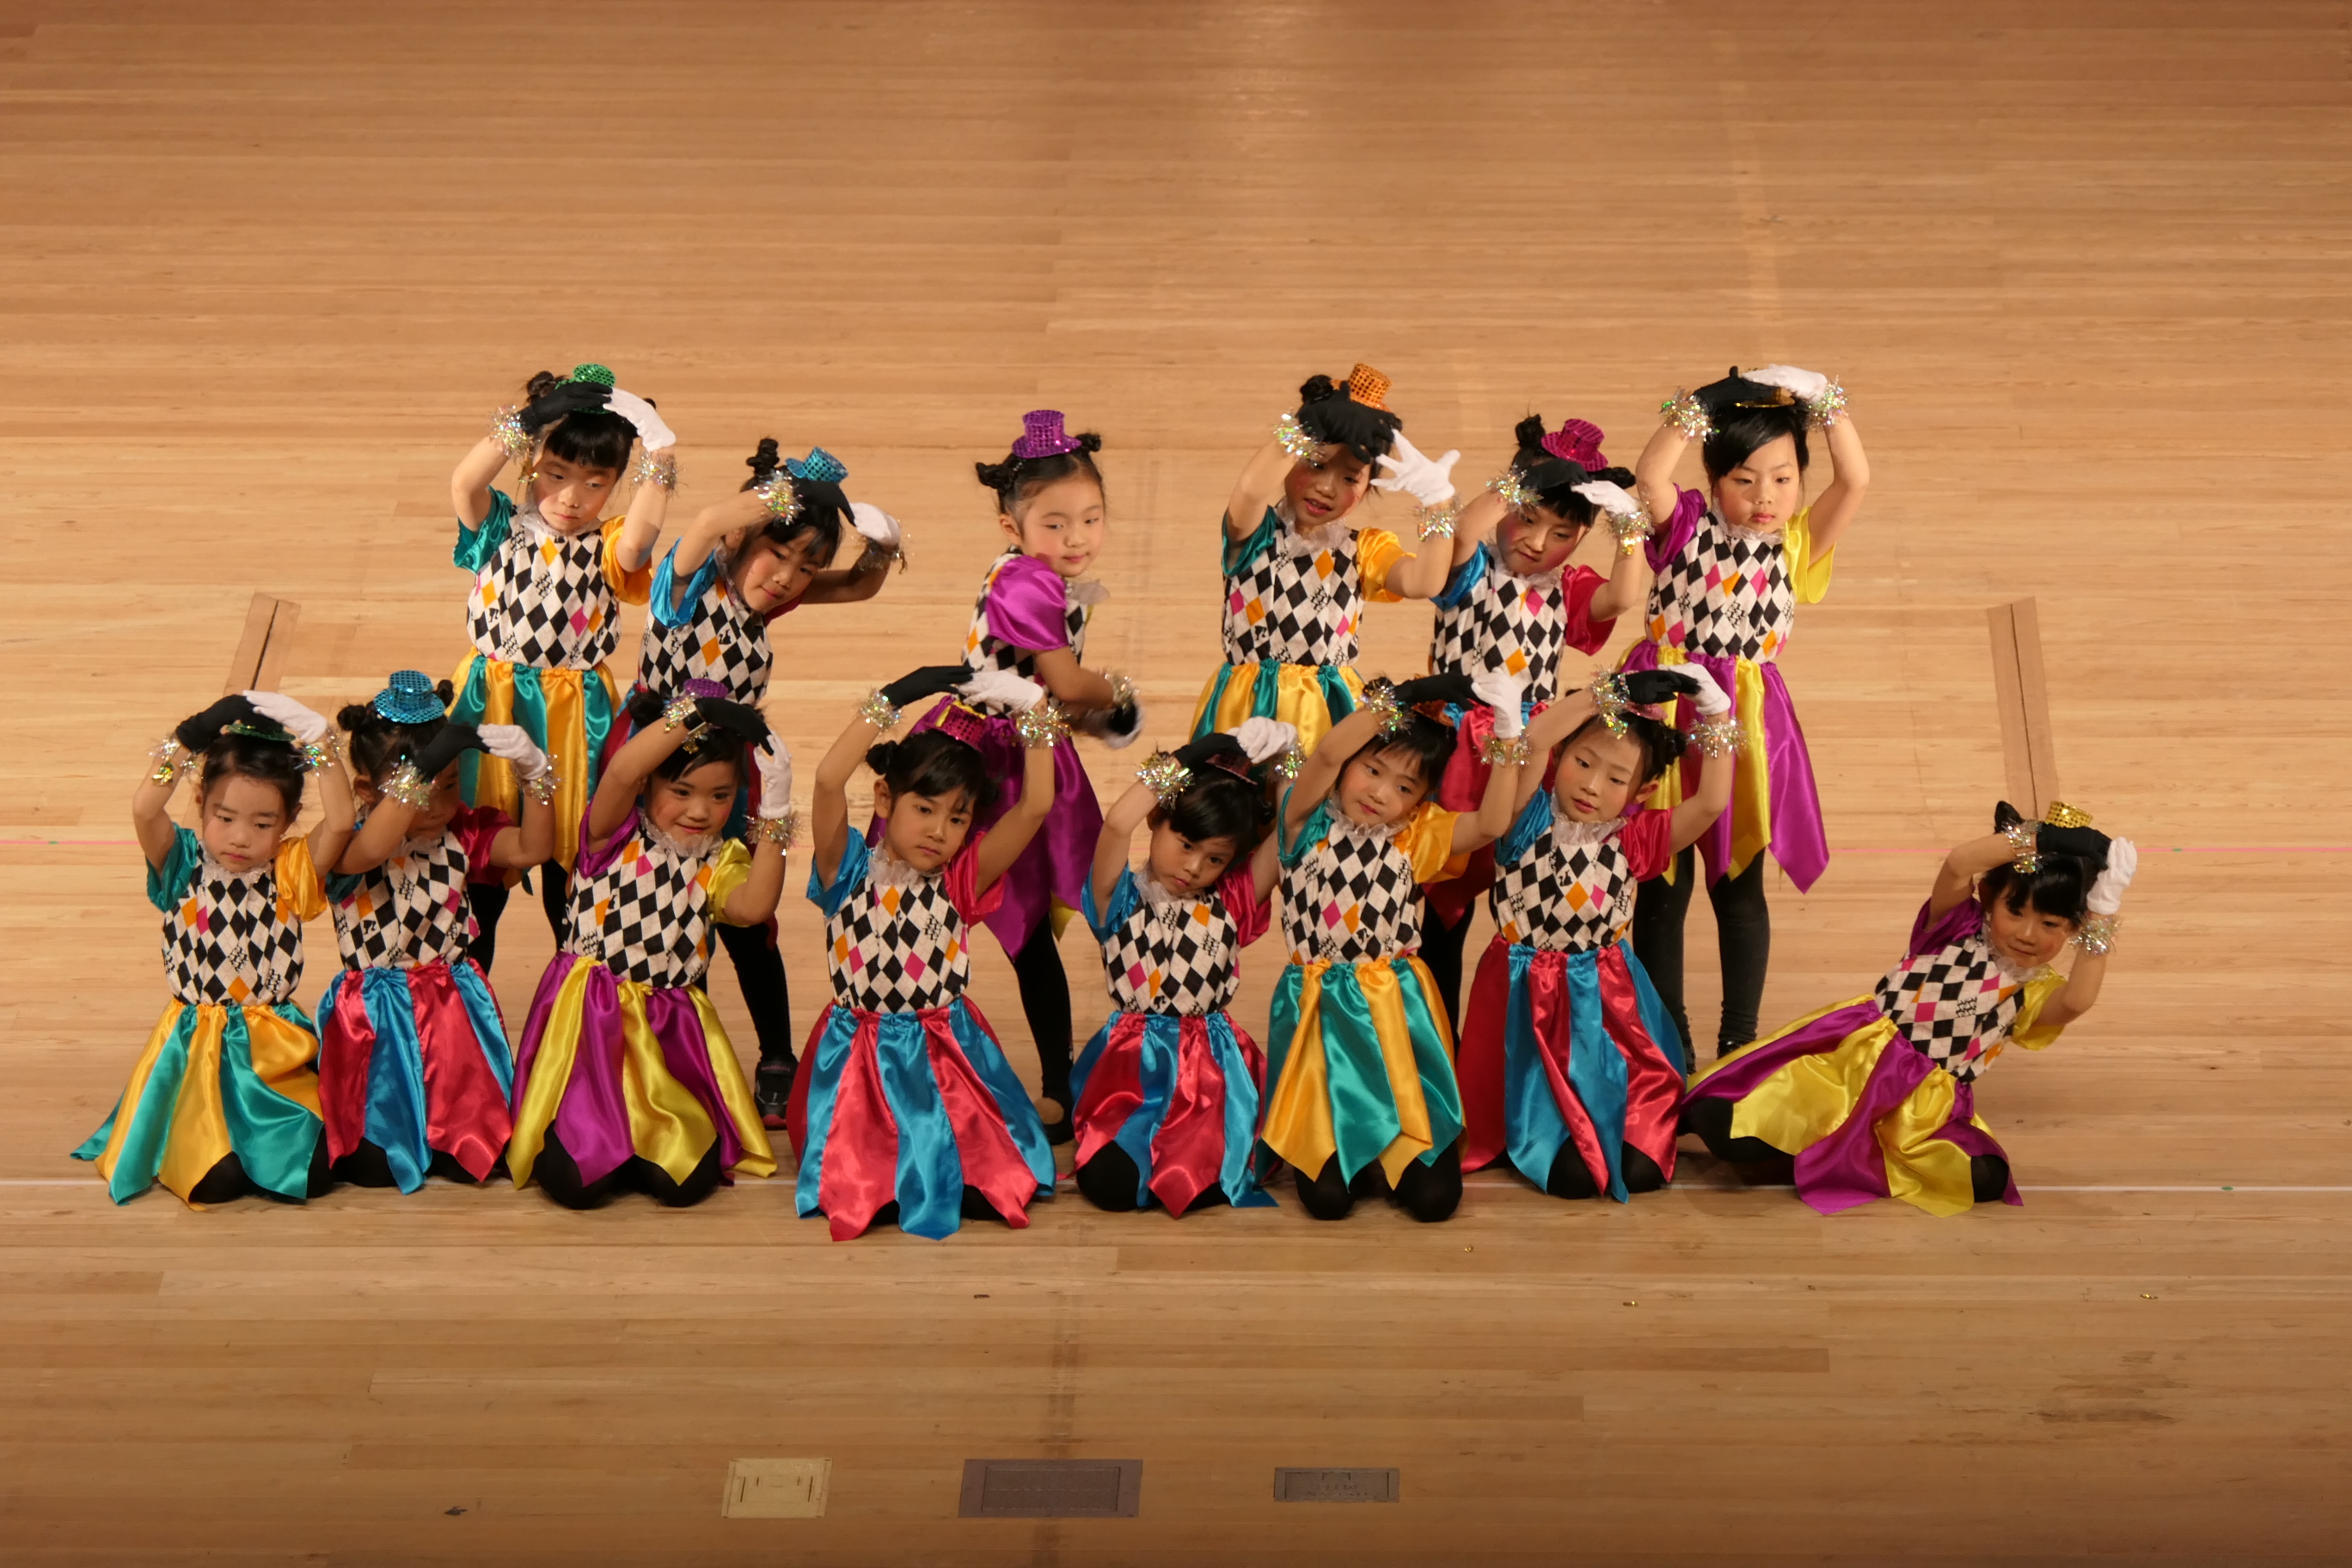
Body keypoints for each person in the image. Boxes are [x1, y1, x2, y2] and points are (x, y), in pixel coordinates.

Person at [629, 437, 905, 1127]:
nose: (786, 578)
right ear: (743, 536)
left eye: (806, 566)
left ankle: (777, 1055)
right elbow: (704, 522)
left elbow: (860, 584)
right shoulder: (687, 585)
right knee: (665, 907)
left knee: (749, 922)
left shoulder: (764, 605)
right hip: (655, 772)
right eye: (777, 554)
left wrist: (878, 542)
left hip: (734, 777)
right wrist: (792, 493)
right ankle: (664, 1047)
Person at [1681, 803, 2135, 1216]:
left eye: (2051, 923)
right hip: (1849, 1063)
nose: (2028, 933)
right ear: (1988, 896)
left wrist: (2103, 911)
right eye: (2015, 911)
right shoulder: (1954, 923)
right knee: (1727, 1131)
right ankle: (1809, 1141)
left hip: (1920, 1108)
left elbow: (2077, 1000)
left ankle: (1834, 1150)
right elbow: (1959, 862)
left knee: (1986, 1177)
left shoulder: (2035, 991)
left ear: (2073, 928)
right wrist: (2046, 839)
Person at [1623, 364, 1871, 1062]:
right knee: (1661, 884)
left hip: (1746, 717)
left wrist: (1828, 403)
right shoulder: (1682, 523)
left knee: (1739, 883)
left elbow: (1855, 479)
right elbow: (1649, 475)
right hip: (1664, 705)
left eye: (1784, 478)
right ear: (1713, 477)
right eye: (1745, 479)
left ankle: (1739, 1039)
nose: (1766, 496)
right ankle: (1669, 1038)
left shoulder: (1797, 542)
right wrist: (1695, 406)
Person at [922, 410, 1138, 1142]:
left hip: (1029, 745)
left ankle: (1060, 1078)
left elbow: (1054, 694)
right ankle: (939, 1056)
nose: (1077, 538)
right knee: (986, 914)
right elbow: (1069, 684)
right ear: (1011, 526)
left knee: (1034, 925)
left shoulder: (1040, 575)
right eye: (1055, 524)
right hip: (988, 760)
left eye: (1091, 519)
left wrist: (1086, 712)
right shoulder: (1028, 584)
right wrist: (1118, 693)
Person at [787, 665, 1063, 1240]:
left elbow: (1036, 805)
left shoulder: (963, 878)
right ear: (885, 797)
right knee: (865, 1185)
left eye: (958, 818)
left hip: (946, 1056)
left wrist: (1035, 709)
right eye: (925, 809)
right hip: (858, 1060)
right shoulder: (845, 869)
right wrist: (895, 696)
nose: (939, 830)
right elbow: (829, 778)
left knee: (983, 1185)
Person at [1455, 669, 1737, 1202]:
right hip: (1525, 1006)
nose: (1591, 785)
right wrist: (1611, 693)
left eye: (1615, 778)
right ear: (1560, 757)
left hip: (1607, 1011)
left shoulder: (1637, 838)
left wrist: (1716, 713)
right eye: (1583, 762)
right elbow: (1533, 739)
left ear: (1643, 790)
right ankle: (1542, 1125)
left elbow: (1710, 804)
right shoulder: (1523, 818)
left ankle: (1636, 1111)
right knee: (1572, 1179)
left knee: (1643, 1171)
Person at [505, 683, 787, 1208]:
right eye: (682, 791)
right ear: (649, 782)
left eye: (720, 795)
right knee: (575, 1186)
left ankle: (643, 1136)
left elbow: (754, 908)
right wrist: (695, 714)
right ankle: (601, 1134)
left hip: (667, 1032)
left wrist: (777, 811)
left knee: (685, 1186)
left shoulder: (722, 858)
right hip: (590, 1024)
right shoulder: (611, 833)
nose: (700, 811)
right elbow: (620, 772)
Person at [1418, 413, 1655, 1025]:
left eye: (1561, 533)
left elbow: (1623, 596)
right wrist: (1519, 482)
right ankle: (1440, 1036)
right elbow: (1464, 526)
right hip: (1456, 744)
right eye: (1527, 517)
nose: (1536, 541)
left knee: (1523, 884)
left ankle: (1514, 1029)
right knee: (1444, 901)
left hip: (1531, 750)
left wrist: (1629, 527)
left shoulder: (1567, 586)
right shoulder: (1471, 567)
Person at [77, 691, 354, 1204]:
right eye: (224, 817)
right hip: (194, 1051)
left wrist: (320, 741)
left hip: (273, 1051)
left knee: (315, 1177)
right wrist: (189, 737)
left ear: (289, 818)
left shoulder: (291, 868)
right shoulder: (181, 861)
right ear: (201, 800)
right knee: (216, 1182)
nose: (240, 838)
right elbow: (144, 805)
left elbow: (340, 822)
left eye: (263, 824)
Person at [1258, 673, 1516, 1222]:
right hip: (1318, 1016)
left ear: (1421, 799)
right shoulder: (1302, 820)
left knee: (1436, 1202)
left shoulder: (1416, 835)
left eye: (1404, 787)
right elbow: (1327, 753)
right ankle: (1347, 1139)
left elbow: (1494, 822)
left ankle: (1393, 1137)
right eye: (1372, 770)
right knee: (1328, 1203)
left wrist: (1508, 732)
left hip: (1395, 1013)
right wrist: (1396, 700)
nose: (1380, 793)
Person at [445, 363, 675, 966]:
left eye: (596, 483)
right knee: (483, 862)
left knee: (569, 870)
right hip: (491, 698)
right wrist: (526, 421)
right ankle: (471, 992)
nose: (572, 497)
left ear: (617, 483)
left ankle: (571, 992)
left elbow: (642, 538)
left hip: (575, 714)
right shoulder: (498, 525)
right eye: (556, 474)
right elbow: (465, 481)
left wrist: (659, 448)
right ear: (530, 464)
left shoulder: (610, 544)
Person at [316, 671, 555, 1191]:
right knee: (372, 1166)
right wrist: (424, 768)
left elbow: (534, 849)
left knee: (478, 1155)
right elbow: (378, 845)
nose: (439, 802)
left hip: (452, 1012)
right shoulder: (347, 845)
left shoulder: (463, 831)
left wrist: (534, 773)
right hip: (375, 1020)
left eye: (449, 784)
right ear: (365, 790)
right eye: (423, 788)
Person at [1071, 720, 1295, 1216]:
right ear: (1159, 819)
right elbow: (1118, 823)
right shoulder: (1117, 899)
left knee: (1209, 1170)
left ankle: (1196, 1159)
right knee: (1108, 1187)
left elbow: (1286, 836)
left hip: (1212, 1073)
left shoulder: (1234, 901)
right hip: (1131, 1070)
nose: (1193, 867)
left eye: (1215, 859)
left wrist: (1284, 765)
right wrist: (1192, 755)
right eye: (1186, 844)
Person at [1191, 365, 1462, 754]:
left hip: (1326, 713)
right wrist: (1303, 427)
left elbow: (1425, 582)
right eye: (1316, 463)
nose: (1326, 487)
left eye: (1350, 478)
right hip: (1245, 707)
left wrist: (1438, 503)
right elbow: (1250, 489)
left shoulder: (1365, 549)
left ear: (1368, 487)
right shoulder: (1254, 532)